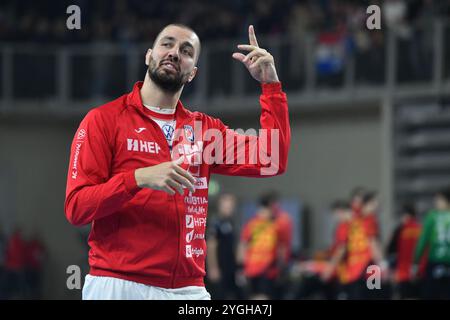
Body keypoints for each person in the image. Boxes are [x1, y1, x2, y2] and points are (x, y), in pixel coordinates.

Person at [64, 24, 291, 300]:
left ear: (192, 73)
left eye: (186, 51)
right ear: (149, 55)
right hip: (118, 284)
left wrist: (271, 86)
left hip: (188, 289)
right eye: (167, 44)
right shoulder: (104, 120)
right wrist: (138, 178)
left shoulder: (204, 131)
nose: (174, 53)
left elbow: (272, 159)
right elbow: (77, 208)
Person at [237, 192, 290, 299]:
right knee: (254, 296)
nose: (264, 213)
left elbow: (281, 247)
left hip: (268, 269)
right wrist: (240, 267)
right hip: (251, 268)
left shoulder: (277, 225)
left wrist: (281, 267)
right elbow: (243, 245)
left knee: (263, 296)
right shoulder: (251, 225)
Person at [413, 187, 450, 299]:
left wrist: (415, 261)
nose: (436, 203)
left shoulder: (432, 216)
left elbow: (423, 240)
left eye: (438, 200)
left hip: (435, 262)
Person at [206, 193, 240, 299]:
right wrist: (213, 267)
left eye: (231, 206)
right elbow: (211, 246)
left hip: (229, 266)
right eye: (226, 205)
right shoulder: (215, 222)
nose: (228, 208)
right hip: (219, 266)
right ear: (220, 205)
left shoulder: (231, 222)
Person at [386, 204, 423, 299]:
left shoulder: (400, 230)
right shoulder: (421, 229)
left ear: (406, 216)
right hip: (419, 272)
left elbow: (390, 250)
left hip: (403, 273)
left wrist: (391, 270)